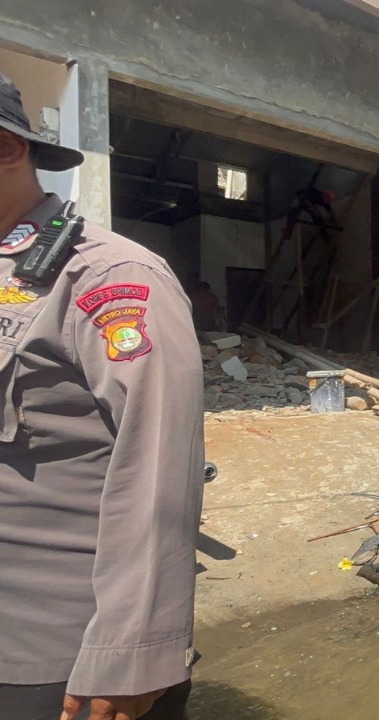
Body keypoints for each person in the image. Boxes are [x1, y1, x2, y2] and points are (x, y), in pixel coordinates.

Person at [0, 74, 205, 719]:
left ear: (7, 149)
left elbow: (159, 465)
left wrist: (132, 654)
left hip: (55, 665)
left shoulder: (108, 278)